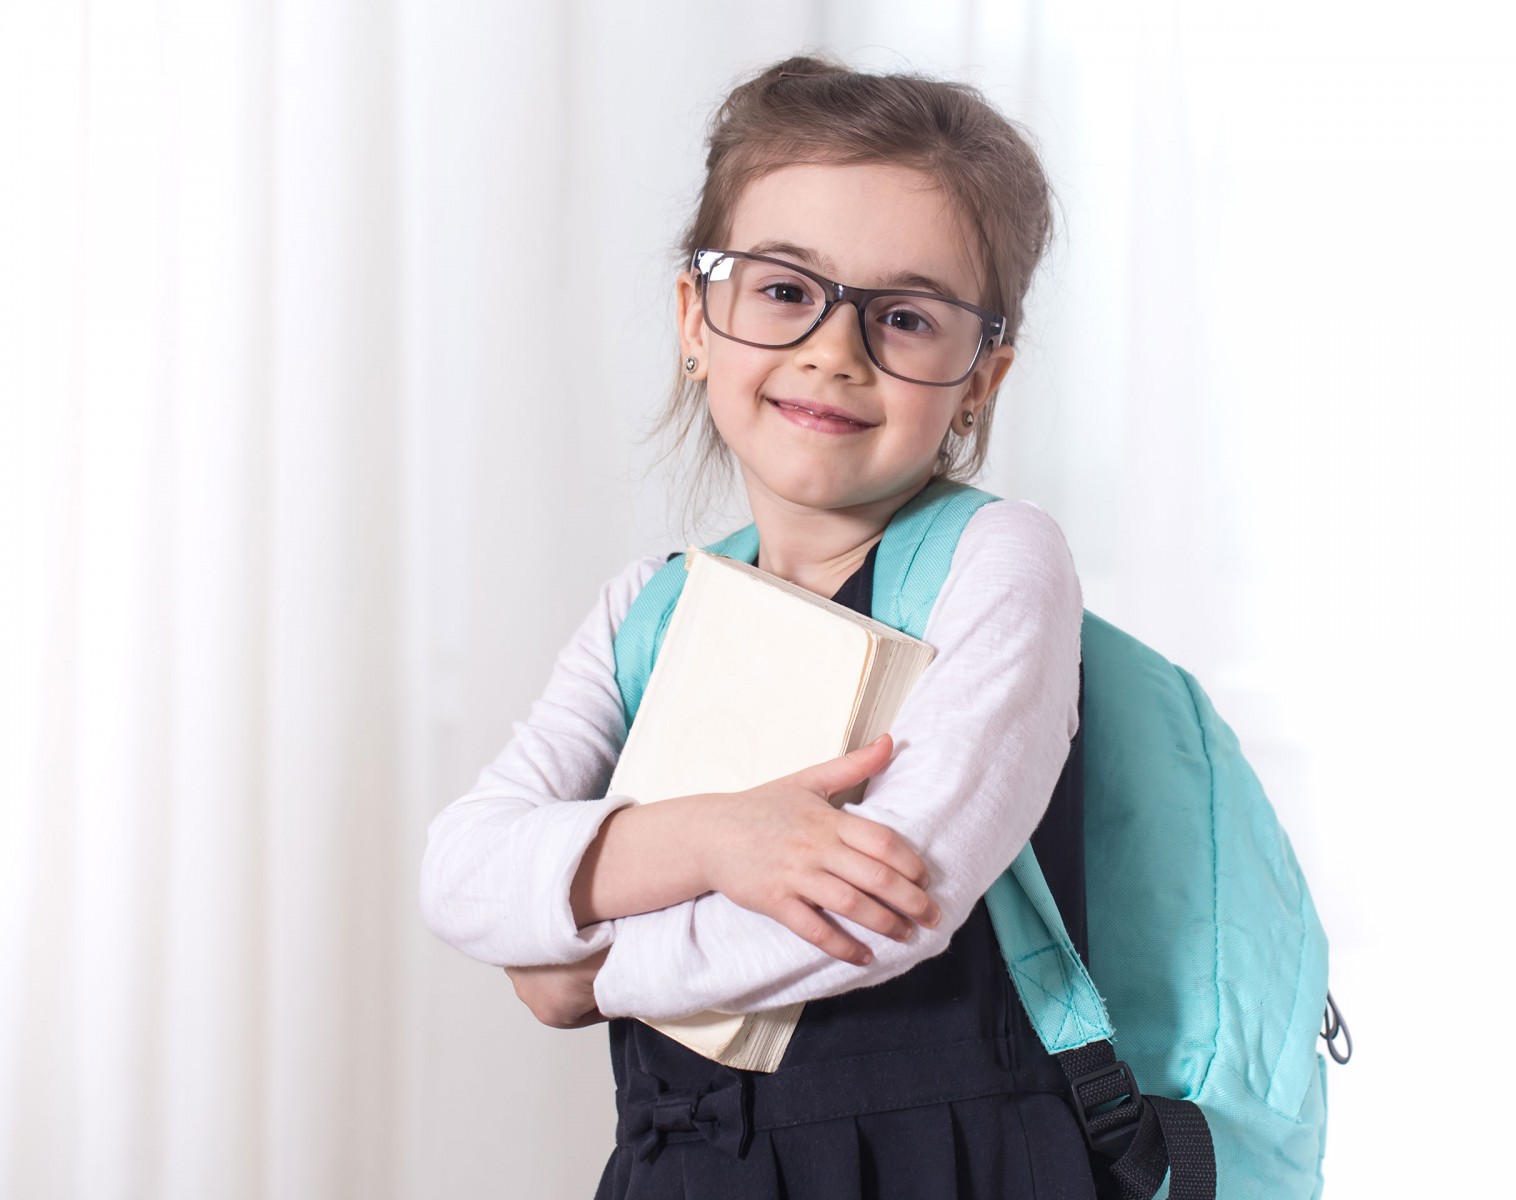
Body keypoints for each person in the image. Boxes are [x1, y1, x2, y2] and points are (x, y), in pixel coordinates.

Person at [421, 55, 1093, 1199]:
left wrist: (577, 955)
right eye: (784, 290)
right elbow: (462, 868)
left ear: (981, 377)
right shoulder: (650, 602)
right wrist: (713, 840)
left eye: (906, 316)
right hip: (679, 1166)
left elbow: (886, 909)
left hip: (940, 1165)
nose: (835, 350)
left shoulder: (998, 560)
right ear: (696, 316)